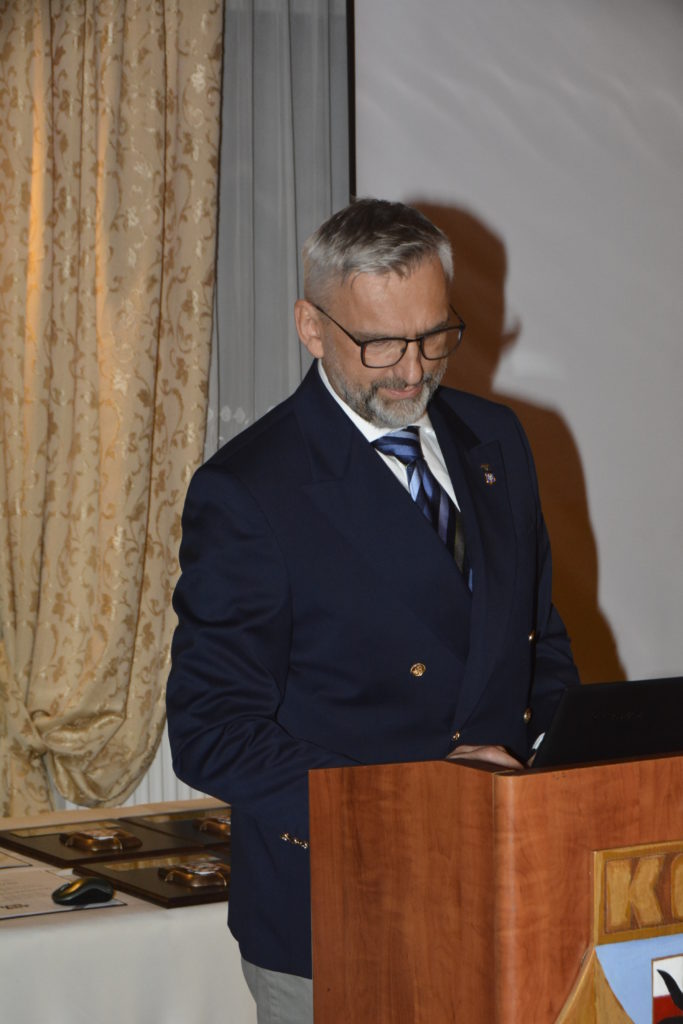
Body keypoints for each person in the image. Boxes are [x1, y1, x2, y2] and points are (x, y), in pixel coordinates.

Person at [166, 198, 579, 1023]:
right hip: (342, 907)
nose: (412, 370)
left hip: (505, 887)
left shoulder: (496, 439)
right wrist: (421, 803)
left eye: (433, 335)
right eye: (380, 343)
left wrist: (555, 776)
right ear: (311, 328)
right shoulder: (250, 490)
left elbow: (538, 649)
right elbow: (211, 730)